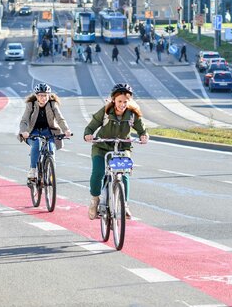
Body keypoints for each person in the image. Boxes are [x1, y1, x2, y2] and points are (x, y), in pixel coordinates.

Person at [84, 83, 149, 220]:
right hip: (101, 147)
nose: (122, 104)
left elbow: (142, 130)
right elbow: (91, 127)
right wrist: (88, 135)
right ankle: (95, 201)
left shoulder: (132, 115)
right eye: (119, 101)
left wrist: (144, 136)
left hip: (122, 147)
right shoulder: (106, 112)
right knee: (98, 172)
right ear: (114, 100)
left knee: (124, 174)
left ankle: (124, 205)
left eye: (125, 102)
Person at [18, 83, 72, 180]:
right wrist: (24, 132)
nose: (43, 98)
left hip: (49, 131)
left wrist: (66, 129)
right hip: (33, 132)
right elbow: (24, 120)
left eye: (45, 95)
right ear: (36, 96)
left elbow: (60, 119)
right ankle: (33, 170)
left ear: (49, 95)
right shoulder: (31, 105)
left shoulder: (52, 105)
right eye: (41, 95)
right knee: (37, 143)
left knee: (51, 148)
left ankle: (51, 172)